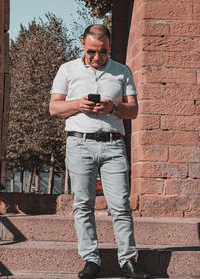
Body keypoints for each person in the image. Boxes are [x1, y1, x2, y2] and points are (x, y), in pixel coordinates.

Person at [49, 24, 149, 279]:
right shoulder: (67, 69)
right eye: (92, 51)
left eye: (103, 52)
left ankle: (127, 261)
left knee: (120, 205)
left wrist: (114, 106)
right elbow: (54, 108)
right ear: (82, 43)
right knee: (83, 204)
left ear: (109, 47)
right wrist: (77, 104)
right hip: (79, 143)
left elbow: (133, 111)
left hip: (114, 145)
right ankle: (91, 260)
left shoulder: (122, 71)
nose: (97, 57)